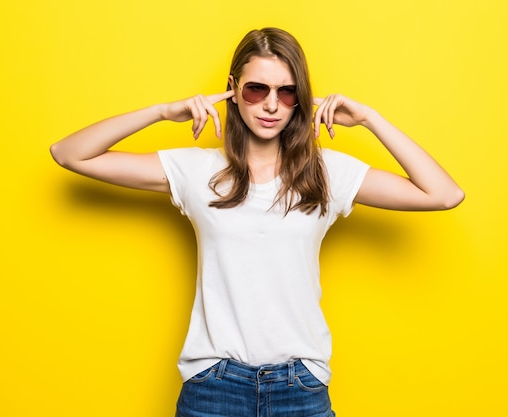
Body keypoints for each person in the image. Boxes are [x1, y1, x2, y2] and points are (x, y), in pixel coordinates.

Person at [50, 27, 463, 417]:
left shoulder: (327, 173)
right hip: (213, 384)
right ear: (233, 89)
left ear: (301, 97)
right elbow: (70, 153)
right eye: (256, 89)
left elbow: (444, 195)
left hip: (300, 385)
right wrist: (161, 112)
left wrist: (372, 119)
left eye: (287, 92)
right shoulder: (196, 171)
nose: (270, 105)